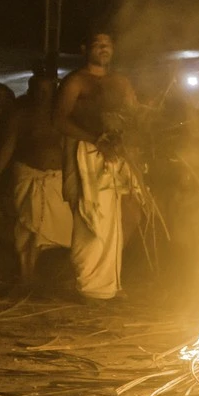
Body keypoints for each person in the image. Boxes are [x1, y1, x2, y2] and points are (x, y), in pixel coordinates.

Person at [54, 31, 148, 302]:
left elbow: (133, 116)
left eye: (107, 44)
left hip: (119, 154)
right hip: (87, 153)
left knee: (131, 213)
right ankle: (89, 286)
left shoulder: (121, 82)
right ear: (85, 48)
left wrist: (141, 123)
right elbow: (59, 120)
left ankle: (109, 278)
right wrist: (96, 139)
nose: (103, 48)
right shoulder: (76, 81)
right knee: (91, 218)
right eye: (97, 44)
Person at [0, 71, 71, 284]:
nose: (43, 96)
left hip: (55, 180)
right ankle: (26, 275)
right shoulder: (21, 116)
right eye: (39, 91)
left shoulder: (62, 117)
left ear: (54, 92)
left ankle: (44, 275)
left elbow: (69, 149)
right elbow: (8, 147)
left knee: (55, 230)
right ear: (31, 90)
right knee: (29, 227)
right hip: (28, 176)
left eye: (47, 91)